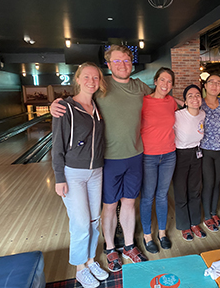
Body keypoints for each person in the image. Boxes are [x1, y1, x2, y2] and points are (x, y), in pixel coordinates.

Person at [51, 45, 151, 272]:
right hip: (108, 160)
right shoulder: (101, 85)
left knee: (128, 203)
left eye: (126, 60)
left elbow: (160, 98)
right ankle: (110, 249)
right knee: (108, 207)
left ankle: (128, 246)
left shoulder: (139, 86)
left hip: (135, 155)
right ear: (109, 64)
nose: (123, 65)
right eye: (117, 61)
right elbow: (77, 99)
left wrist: (188, 102)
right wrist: (55, 105)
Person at [52, 62, 109, 288]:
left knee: (95, 221)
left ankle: (90, 260)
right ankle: (79, 269)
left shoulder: (97, 107)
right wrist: (59, 177)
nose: (91, 81)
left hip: (96, 172)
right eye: (86, 77)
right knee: (81, 223)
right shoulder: (65, 108)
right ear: (77, 79)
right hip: (73, 173)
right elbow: (56, 145)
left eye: (95, 77)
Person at [139, 67, 178, 254]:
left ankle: (162, 234)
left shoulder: (172, 102)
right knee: (147, 197)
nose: (165, 84)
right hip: (148, 155)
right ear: (155, 81)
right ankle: (147, 235)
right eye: (162, 80)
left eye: (169, 81)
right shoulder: (143, 101)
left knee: (162, 196)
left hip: (169, 154)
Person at [173, 84, 207, 241]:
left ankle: (194, 222)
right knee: (181, 191)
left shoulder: (203, 114)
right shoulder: (178, 115)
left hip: (196, 153)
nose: (195, 98)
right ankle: (184, 225)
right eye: (190, 96)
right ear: (185, 101)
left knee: (194, 190)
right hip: (180, 154)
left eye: (197, 95)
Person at [200, 74, 220, 233]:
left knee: (217, 183)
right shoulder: (199, 103)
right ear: (205, 85)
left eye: (218, 83)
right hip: (205, 150)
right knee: (209, 183)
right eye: (211, 82)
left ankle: (213, 212)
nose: (215, 86)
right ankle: (206, 217)